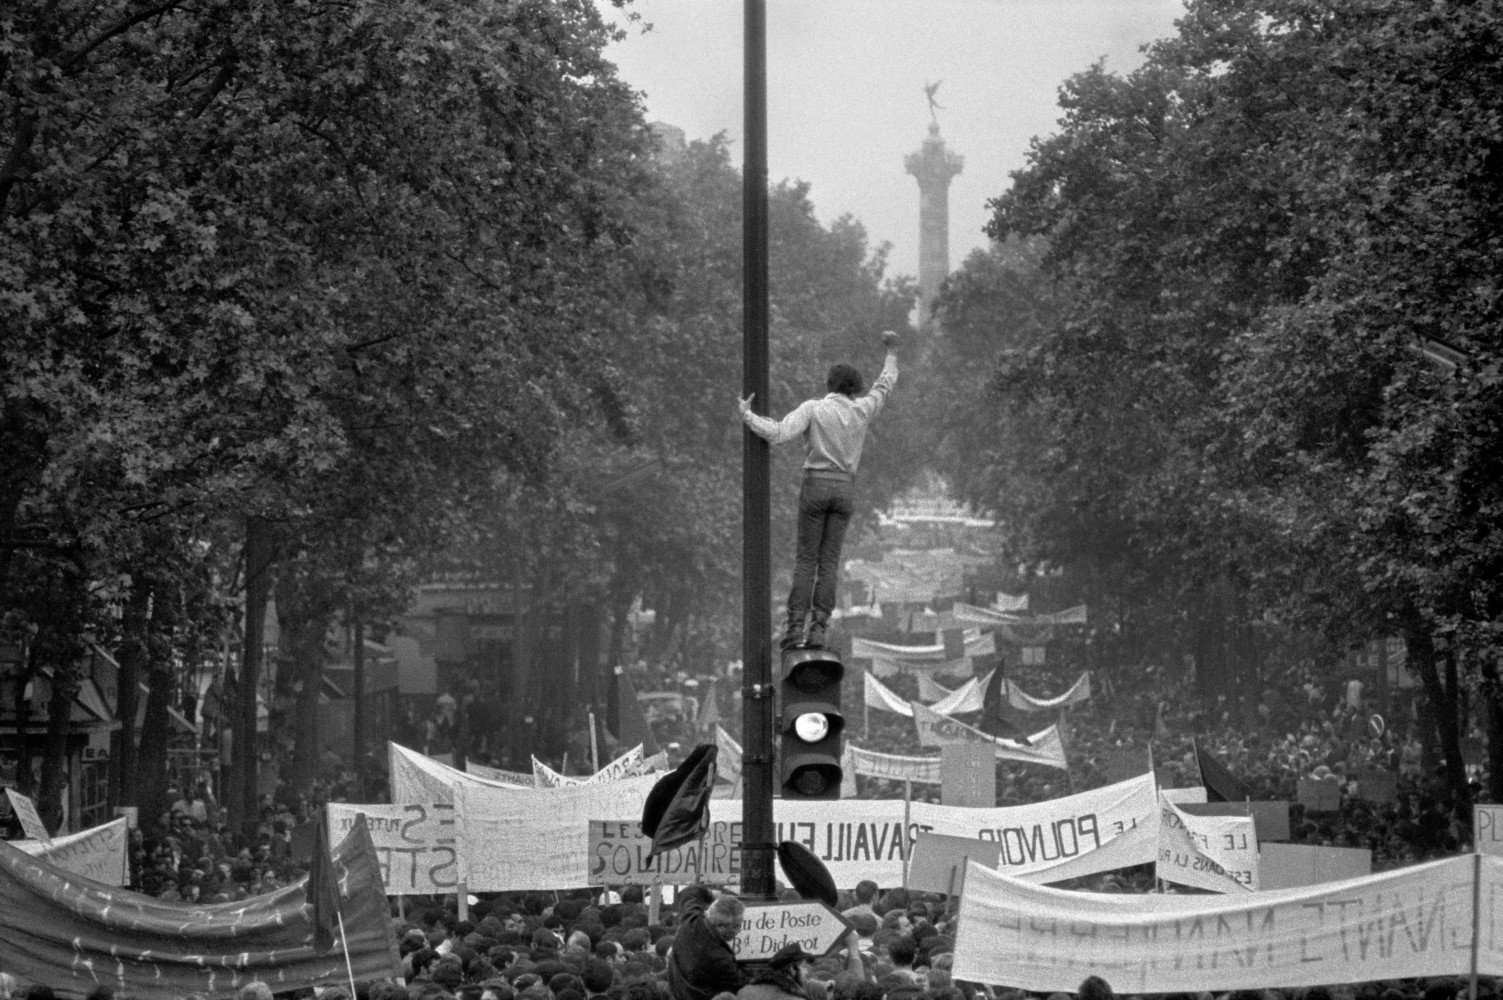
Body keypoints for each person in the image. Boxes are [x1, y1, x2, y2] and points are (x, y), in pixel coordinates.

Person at [739, 330, 900, 650]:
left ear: (829, 384)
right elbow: (884, 385)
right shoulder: (862, 410)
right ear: (854, 388)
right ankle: (818, 630)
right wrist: (892, 352)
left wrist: (747, 415)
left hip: (814, 486)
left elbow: (779, 433)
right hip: (844, 490)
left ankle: (794, 627)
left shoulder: (813, 409)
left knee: (806, 561)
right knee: (829, 564)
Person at [667, 886, 745, 1000]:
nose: (739, 930)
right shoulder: (721, 959)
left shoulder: (691, 919)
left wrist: (711, 894)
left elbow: (689, 891)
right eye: (737, 925)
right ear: (720, 926)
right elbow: (741, 984)